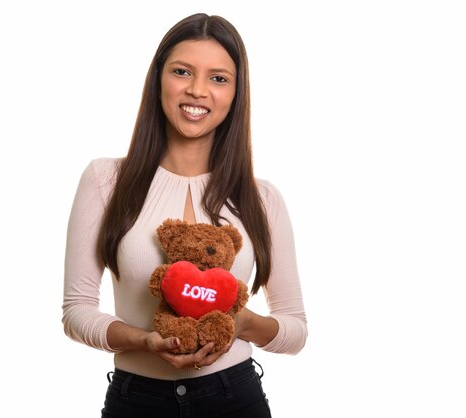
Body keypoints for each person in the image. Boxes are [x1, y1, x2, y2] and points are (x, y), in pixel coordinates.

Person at [62, 12, 307, 418]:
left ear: (236, 93)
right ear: (159, 78)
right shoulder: (105, 180)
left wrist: (244, 324)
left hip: (235, 397)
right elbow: (76, 311)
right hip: (136, 401)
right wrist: (144, 341)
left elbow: (295, 329)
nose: (197, 90)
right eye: (182, 71)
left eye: (218, 78)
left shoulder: (262, 198)